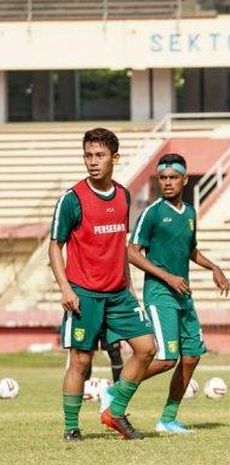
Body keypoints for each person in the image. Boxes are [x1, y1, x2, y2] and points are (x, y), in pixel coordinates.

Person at [49, 128, 156, 441]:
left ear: (115, 158)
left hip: (119, 294)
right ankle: (71, 428)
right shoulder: (72, 199)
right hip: (84, 294)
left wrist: (131, 288)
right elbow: (55, 245)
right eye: (88, 155)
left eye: (99, 155)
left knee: (147, 349)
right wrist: (66, 289)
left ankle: (115, 410)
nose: (93, 162)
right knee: (81, 361)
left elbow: (119, 245)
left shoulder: (123, 196)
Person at [127, 153, 230, 434]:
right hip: (160, 292)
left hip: (183, 293)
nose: (168, 182)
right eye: (163, 178)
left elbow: (190, 250)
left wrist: (214, 267)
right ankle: (116, 392)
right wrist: (167, 277)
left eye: (173, 177)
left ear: (185, 179)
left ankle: (168, 419)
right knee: (165, 358)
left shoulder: (190, 213)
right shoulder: (152, 212)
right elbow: (132, 253)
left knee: (191, 357)